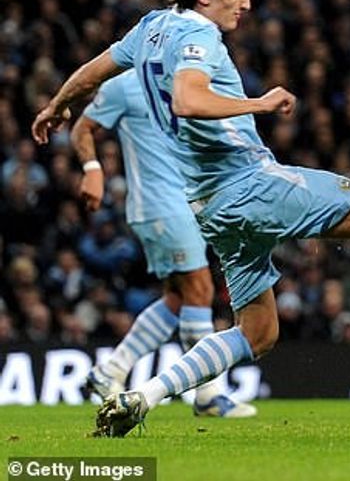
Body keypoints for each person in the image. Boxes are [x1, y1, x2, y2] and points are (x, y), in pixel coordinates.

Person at [32, 0, 350, 437]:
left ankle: (140, 395)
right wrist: (260, 103)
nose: (246, 3)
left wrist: (57, 105)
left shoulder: (150, 28)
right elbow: (188, 100)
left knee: (258, 333)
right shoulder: (199, 38)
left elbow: (93, 73)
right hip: (251, 184)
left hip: (211, 207)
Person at [72, 70, 255, 418]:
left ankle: (109, 371)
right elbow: (82, 127)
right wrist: (93, 168)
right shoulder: (125, 84)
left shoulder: (189, 78)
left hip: (185, 202)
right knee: (200, 289)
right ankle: (208, 394)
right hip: (159, 205)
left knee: (177, 298)